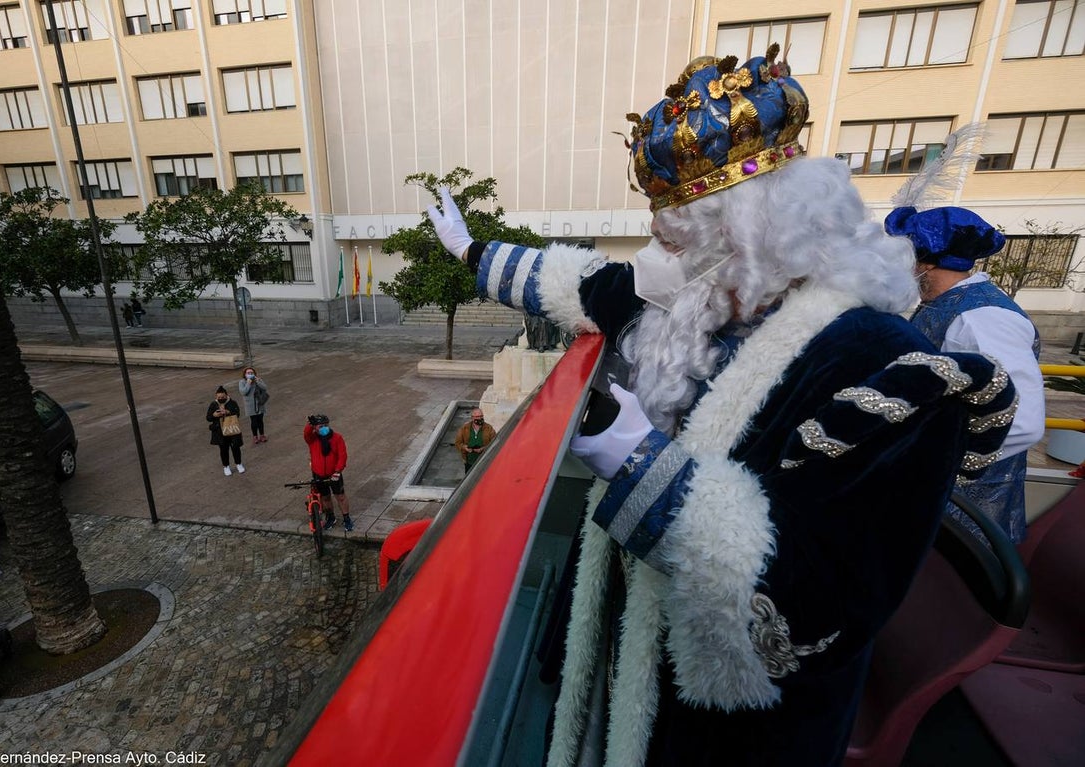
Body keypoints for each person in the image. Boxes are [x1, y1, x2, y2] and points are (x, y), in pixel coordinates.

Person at [427, 46, 1018, 766]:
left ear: (748, 234)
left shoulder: (883, 367)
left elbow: (821, 602)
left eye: (675, 232)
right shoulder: (715, 299)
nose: (656, 249)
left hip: (735, 735)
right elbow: (584, 283)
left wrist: (642, 467)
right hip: (640, 658)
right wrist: (468, 250)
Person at [886, 206, 1045, 543]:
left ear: (924, 261)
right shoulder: (945, 304)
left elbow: (1023, 420)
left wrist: (940, 458)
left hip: (964, 505)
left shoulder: (982, 317)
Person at [304, 414, 353, 532]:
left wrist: (338, 471)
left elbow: (342, 456)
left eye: (326, 425)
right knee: (325, 498)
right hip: (319, 474)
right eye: (320, 426)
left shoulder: (337, 438)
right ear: (315, 428)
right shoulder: (312, 439)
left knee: (340, 496)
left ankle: (347, 519)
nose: (324, 428)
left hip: (334, 474)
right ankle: (331, 517)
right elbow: (306, 434)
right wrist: (309, 425)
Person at [207, 385, 244, 476]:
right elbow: (208, 418)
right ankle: (226, 466)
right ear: (216, 396)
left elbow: (237, 413)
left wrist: (228, 412)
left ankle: (239, 464)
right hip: (219, 432)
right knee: (223, 449)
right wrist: (214, 415)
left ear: (227, 395)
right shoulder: (213, 404)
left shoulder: (232, 402)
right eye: (219, 397)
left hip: (232, 429)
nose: (221, 399)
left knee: (235, 447)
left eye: (222, 397)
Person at [454, 408, 496, 474]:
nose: (480, 418)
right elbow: (458, 443)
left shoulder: (489, 428)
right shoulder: (465, 428)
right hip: (469, 461)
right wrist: (465, 447)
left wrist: (483, 448)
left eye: (481, 416)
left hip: (484, 461)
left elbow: (495, 442)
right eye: (477, 416)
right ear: (472, 418)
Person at [238, 366, 270, 444]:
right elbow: (243, 392)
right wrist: (248, 383)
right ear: (245, 374)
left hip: (259, 403)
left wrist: (258, 381)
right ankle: (255, 436)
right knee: (254, 421)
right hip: (250, 405)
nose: (250, 374)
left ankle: (262, 435)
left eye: (251, 373)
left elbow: (265, 388)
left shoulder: (258, 380)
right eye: (248, 373)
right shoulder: (242, 382)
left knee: (260, 421)